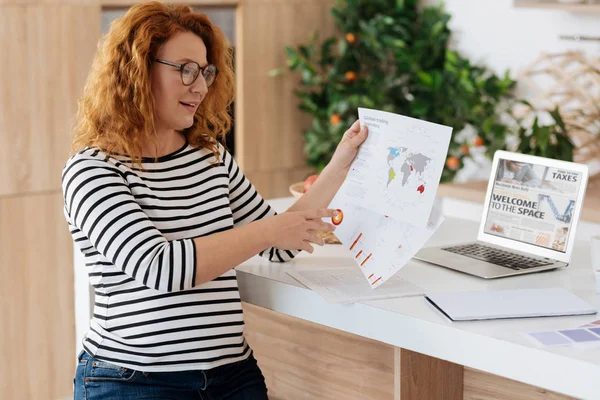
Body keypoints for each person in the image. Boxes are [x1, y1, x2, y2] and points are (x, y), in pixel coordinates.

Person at [61, 2, 368, 399]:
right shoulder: (92, 171)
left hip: (230, 376)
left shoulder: (211, 157)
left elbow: (277, 246)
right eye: (186, 69)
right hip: (134, 381)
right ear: (137, 71)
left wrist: (341, 163)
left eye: (206, 71)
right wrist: (271, 229)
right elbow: (161, 268)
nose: (201, 86)